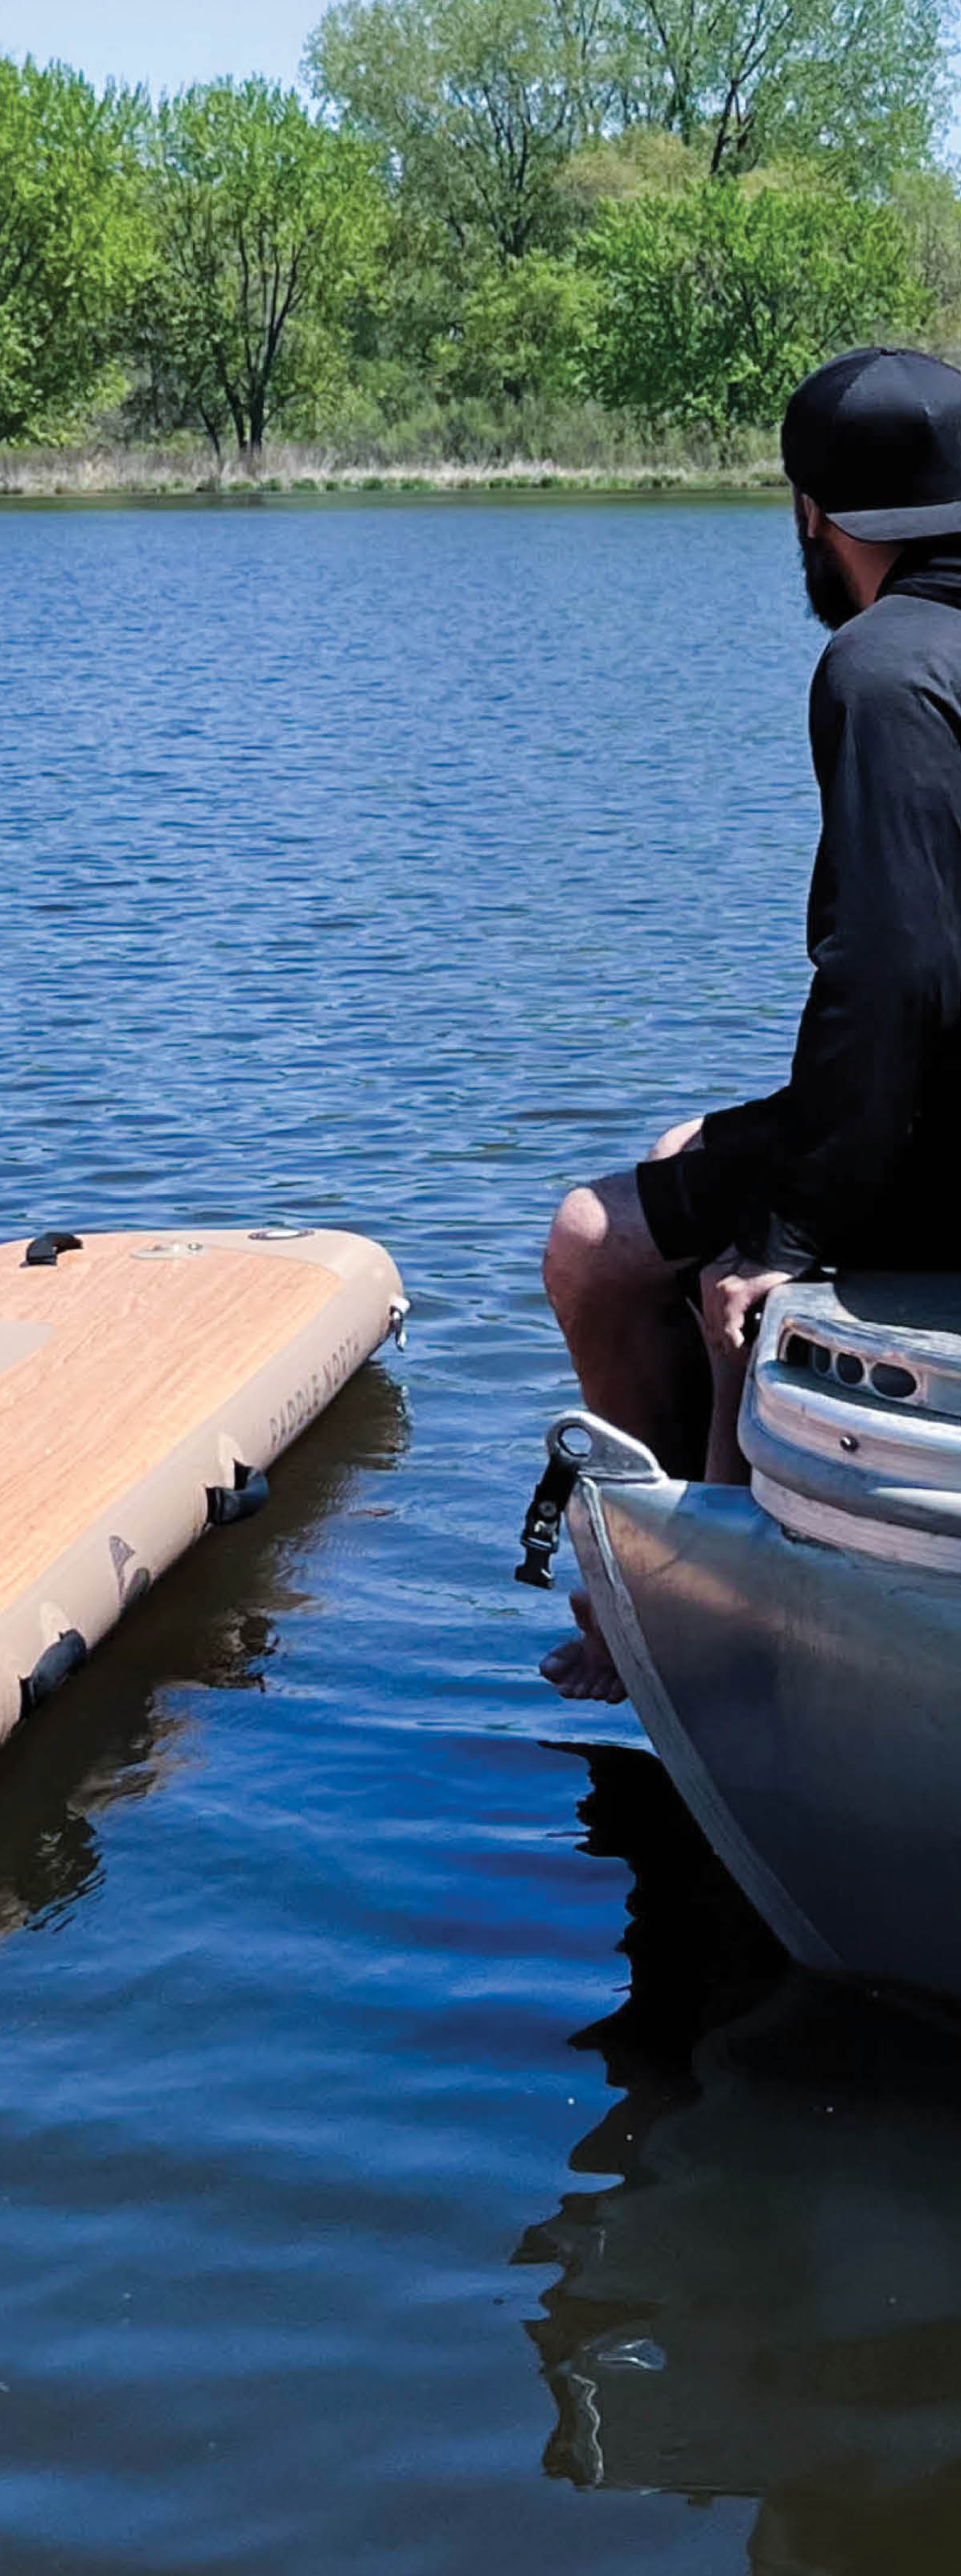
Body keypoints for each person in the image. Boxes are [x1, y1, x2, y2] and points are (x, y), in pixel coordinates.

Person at [542, 346, 961, 1696]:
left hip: (942, 1130)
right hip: (932, 1097)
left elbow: (896, 976)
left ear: (813, 516)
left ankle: (670, 1631)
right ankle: (711, 1559)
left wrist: (793, 1237)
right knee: (688, 1152)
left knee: (598, 1244)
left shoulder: (882, 667)